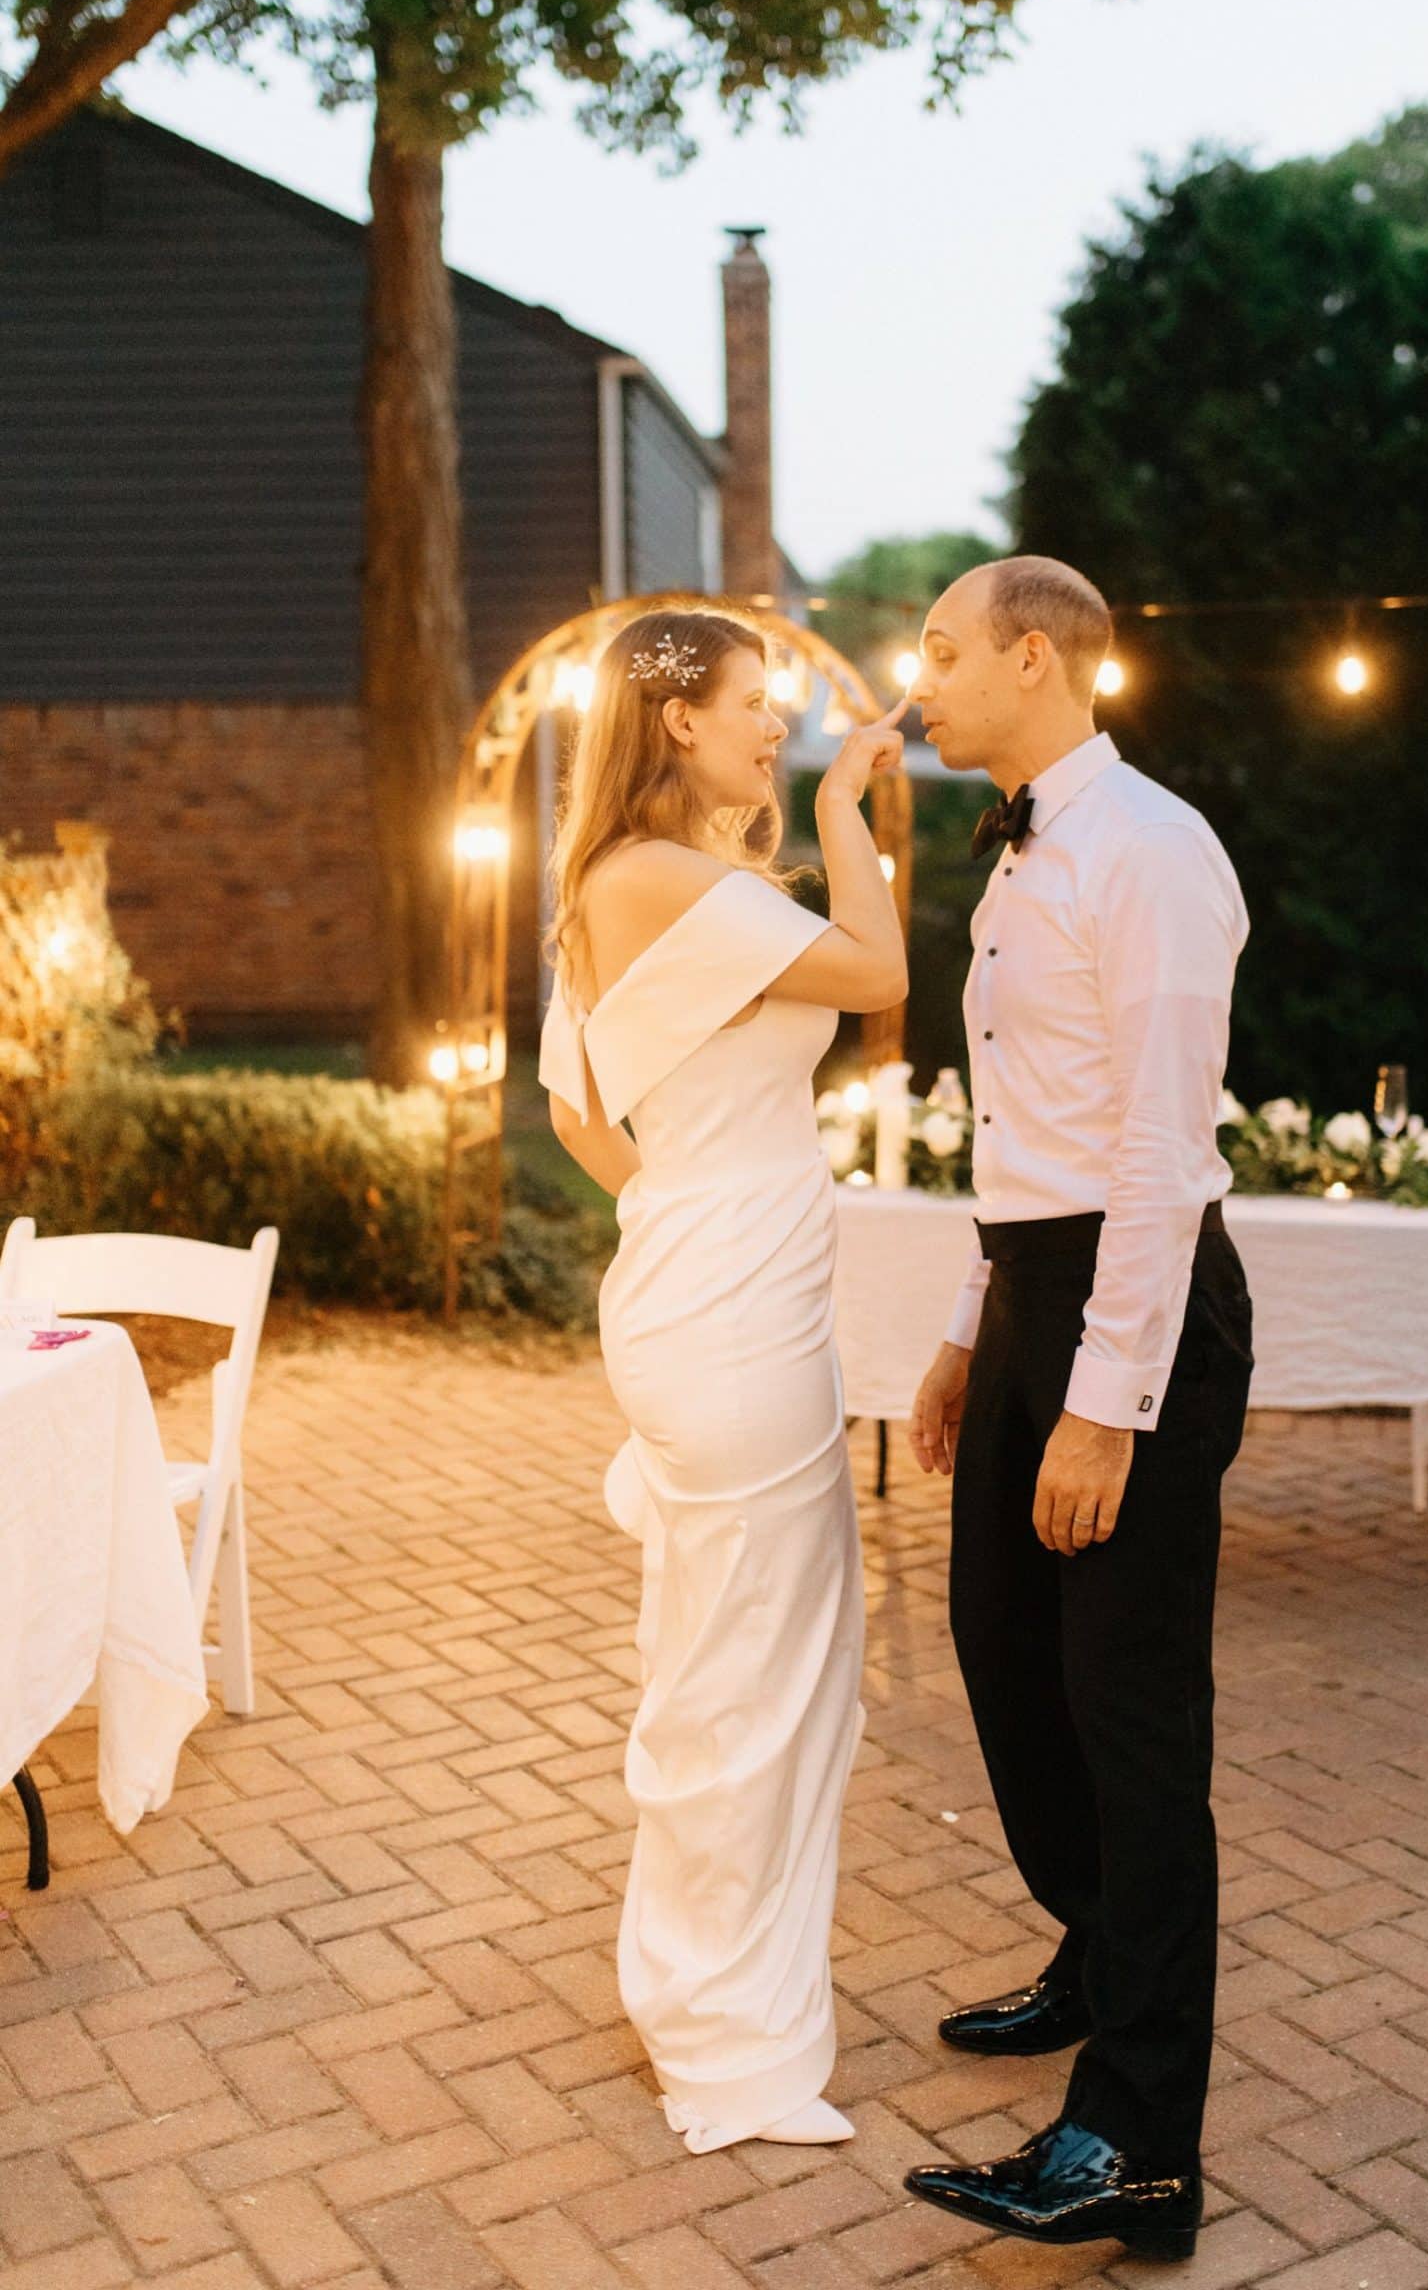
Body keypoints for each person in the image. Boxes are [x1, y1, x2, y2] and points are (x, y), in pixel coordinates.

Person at [900, 556, 1253, 2260]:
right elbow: (1022, 1132)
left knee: (1128, 1718)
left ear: (1035, 658)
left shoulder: (1154, 853)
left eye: (945, 652)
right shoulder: (1030, 841)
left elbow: (1158, 1159)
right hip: (1033, 1293)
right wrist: (978, 1333)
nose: (925, 682)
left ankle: (1134, 2139)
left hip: (1144, 1315)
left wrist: (1105, 1406)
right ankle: (1097, 1945)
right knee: (997, 1646)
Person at [539, 605, 908, 2155]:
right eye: (760, 703)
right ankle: (727, 2033)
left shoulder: (623, 885)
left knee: (735, 1655)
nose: (780, 724)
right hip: (731, 1316)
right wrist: (844, 810)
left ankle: (697, 1977)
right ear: (677, 722)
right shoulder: (666, 878)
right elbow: (882, 974)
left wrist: (684, 1192)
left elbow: (573, 1114)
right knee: (762, 1674)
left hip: (713, 1287)